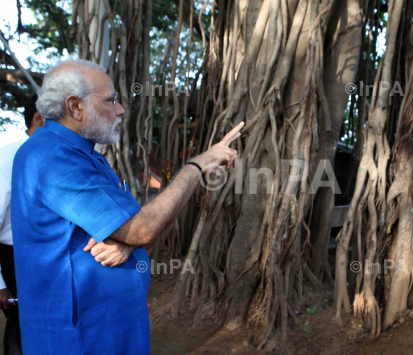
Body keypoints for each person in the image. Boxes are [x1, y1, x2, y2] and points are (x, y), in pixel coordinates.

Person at [10, 59, 242, 355]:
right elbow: (143, 228)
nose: (120, 110)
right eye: (111, 100)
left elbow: (132, 225)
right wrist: (197, 166)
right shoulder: (51, 158)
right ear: (75, 107)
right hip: (77, 335)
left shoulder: (86, 155)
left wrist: (127, 242)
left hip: (108, 324)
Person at [0, 94, 45, 355]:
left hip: (45, 257)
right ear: (38, 119)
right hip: (13, 258)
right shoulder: (8, 159)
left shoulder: (56, 159)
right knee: (19, 329)